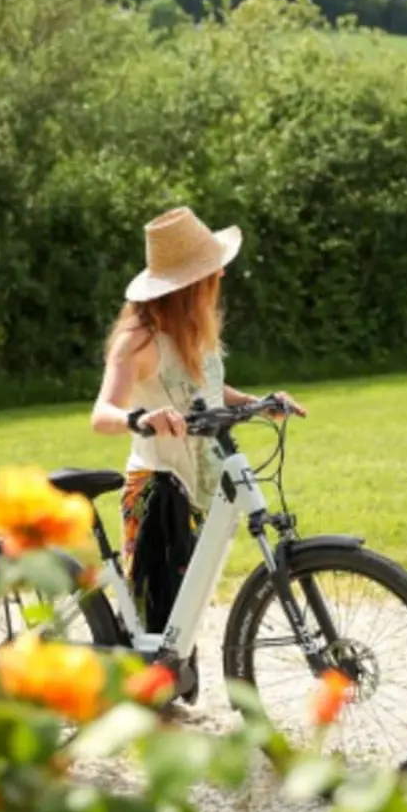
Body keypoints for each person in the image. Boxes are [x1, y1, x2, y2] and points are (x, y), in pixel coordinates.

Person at [90, 206, 305, 704]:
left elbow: (204, 386)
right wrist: (139, 418)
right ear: (189, 283)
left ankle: (161, 693)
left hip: (200, 481)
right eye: (213, 270)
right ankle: (141, 698)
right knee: (155, 610)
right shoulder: (137, 340)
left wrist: (256, 403)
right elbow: (101, 412)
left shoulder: (193, 333)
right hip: (157, 487)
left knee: (187, 600)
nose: (222, 275)